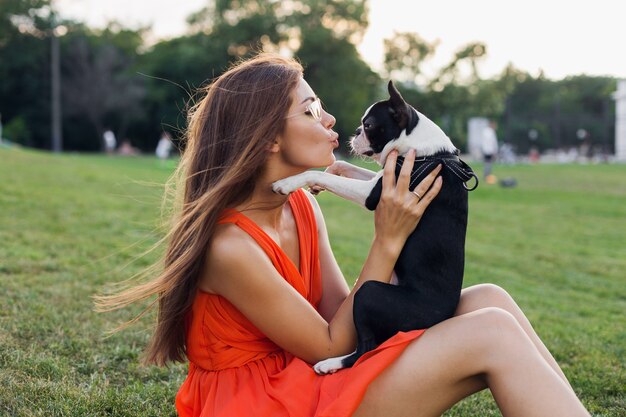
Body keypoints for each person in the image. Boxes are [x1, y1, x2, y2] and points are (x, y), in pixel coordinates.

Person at [97, 54, 590, 417]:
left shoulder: (303, 205)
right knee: (493, 333)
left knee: (491, 299)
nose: (330, 121)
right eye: (311, 111)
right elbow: (332, 345)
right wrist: (388, 240)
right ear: (268, 136)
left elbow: (344, 315)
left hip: (304, 376)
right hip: (265, 404)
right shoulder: (230, 247)